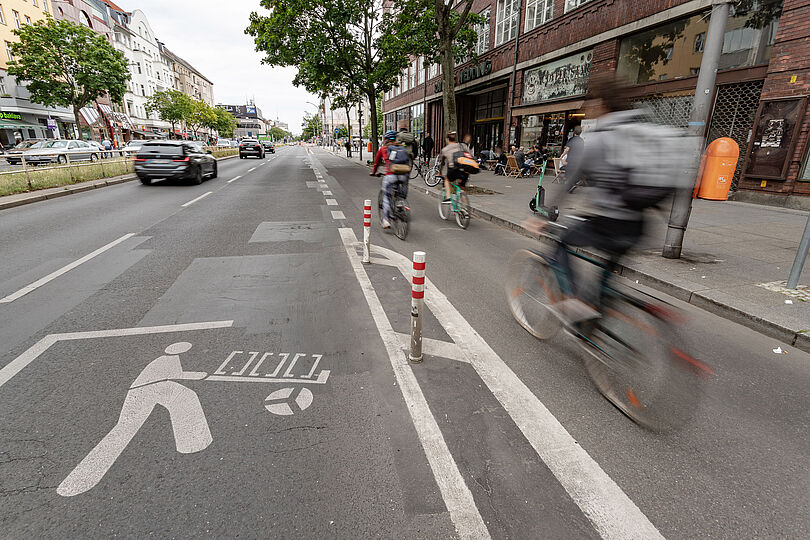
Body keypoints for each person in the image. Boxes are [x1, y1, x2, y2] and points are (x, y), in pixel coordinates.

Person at [526, 74, 648, 324]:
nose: (588, 110)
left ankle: (576, 305)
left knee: (561, 239)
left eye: (591, 104)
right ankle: (597, 314)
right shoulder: (639, 133)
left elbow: (571, 180)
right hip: (639, 223)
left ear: (603, 104)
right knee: (607, 270)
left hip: (609, 221)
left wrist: (548, 213)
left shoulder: (600, 138)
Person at [370, 130, 407, 229]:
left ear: (386, 139)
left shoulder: (383, 149)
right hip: (403, 174)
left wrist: (373, 172)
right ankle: (400, 203)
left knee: (387, 197)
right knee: (400, 193)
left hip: (390, 175)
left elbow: (376, 163)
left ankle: (386, 220)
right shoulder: (401, 147)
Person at [438, 131, 469, 203]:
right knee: (462, 188)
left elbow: (442, 163)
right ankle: (465, 209)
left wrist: (440, 172)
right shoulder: (463, 146)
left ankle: (448, 198)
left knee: (446, 179)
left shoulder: (445, 149)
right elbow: (469, 155)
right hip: (465, 169)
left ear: (447, 139)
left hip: (454, 170)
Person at [560, 125, 585, 191]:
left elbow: (567, 149)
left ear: (574, 132)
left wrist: (562, 155)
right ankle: (573, 184)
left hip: (571, 160)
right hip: (578, 160)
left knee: (568, 173)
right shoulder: (581, 141)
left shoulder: (571, 140)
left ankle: (570, 186)